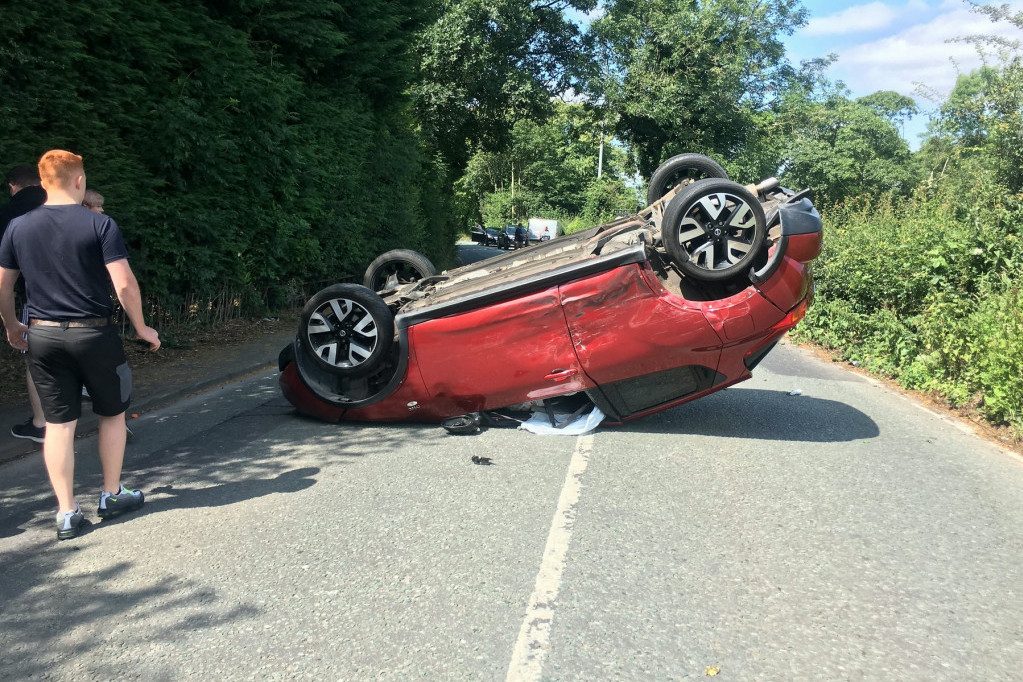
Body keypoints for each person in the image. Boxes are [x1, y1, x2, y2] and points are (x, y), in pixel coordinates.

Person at [0, 150, 161, 540]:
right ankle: (111, 495)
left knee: (58, 425)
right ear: (77, 181)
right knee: (112, 414)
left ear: (42, 182)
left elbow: (3, 285)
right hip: (94, 335)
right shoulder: (99, 224)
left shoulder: (18, 227)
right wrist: (141, 327)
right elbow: (123, 283)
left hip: (42, 335)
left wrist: (11, 325)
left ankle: (67, 513)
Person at [1, 165, 48, 443]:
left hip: (35, 295)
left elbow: (4, 279)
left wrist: (10, 323)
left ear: (12, 186)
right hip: (79, 294)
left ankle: (42, 423)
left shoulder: (8, 215)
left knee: (36, 358)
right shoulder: (61, 204)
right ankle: (112, 417)